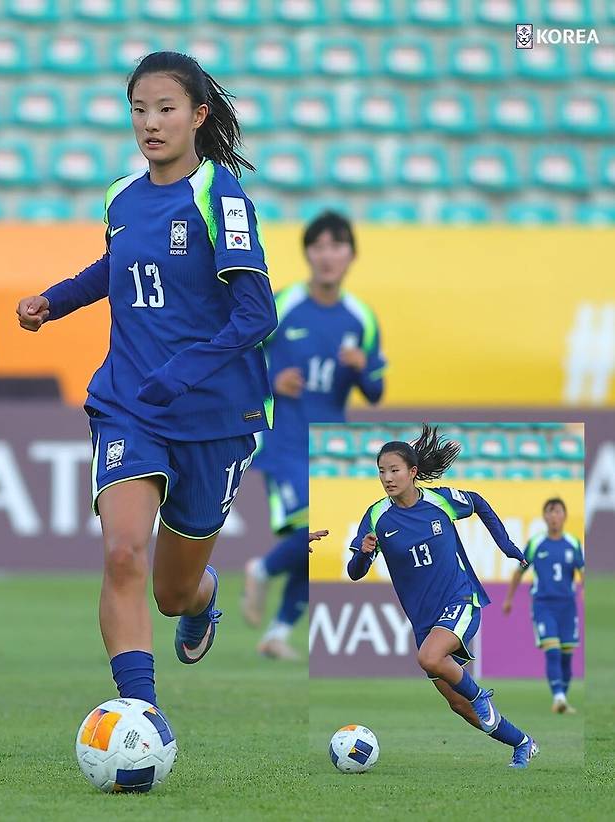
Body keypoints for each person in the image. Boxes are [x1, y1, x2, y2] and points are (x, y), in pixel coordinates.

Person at [16, 51, 277, 718]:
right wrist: (55, 299)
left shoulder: (222, 197)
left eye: (165, 109)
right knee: (124, 554)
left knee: (171, 591)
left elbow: (257, 314)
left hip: (214, 418)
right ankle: (142, 717)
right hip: (129, 404)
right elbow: (116, 264)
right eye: (139, 110)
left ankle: (203, 598)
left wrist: (182, 373)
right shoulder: (121, 196)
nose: (150, 123)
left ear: (198, 115)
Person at [348, 424, 539, 769]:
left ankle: (481, 694)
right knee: (457, 704)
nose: (387, 478)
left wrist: (508, 547)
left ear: (412, 472)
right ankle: (522, 743)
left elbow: (478, 502)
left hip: (460, 600)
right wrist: (363, 554)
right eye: (381, 472)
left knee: (431, 659)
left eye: (394, 470)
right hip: (423, 620)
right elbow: (355, 571)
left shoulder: (440, 501)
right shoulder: (376, 516)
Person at [243, 213, 386, 659]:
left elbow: (377, 392)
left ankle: (278, 632)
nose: (327, 256)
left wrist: (364, 368)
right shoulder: (283, 304)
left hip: (329, 447)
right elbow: (238, 358)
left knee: (320, 539)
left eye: (336, 247)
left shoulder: (360, 317)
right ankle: (262, 569)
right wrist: (270, 378)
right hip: (283, 439)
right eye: (319, 247)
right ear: (307, 253)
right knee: (310, 527)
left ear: (351, 256)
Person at [503, 497, 584, 714]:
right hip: (543, 605)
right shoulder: (537, 543)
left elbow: (583, 571)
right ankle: (558, 697)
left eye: (557, 511)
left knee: (567, 655)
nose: (554, 516)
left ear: (564, 516)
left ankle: (562, 699)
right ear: (545, 517)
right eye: (550, 512)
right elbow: (519, 571)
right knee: (553, 651)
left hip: (567, 606)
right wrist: (509, 599)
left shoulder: (573, 543)